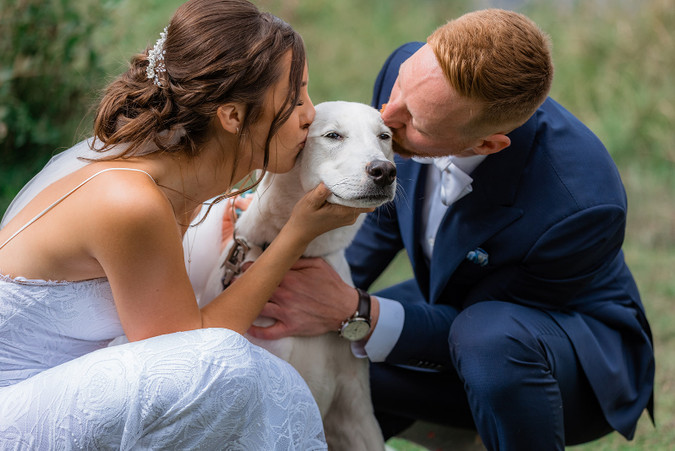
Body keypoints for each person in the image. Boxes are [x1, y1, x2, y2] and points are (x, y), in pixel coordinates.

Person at [246, 9, 655, 450]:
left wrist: (355, 310)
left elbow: (486, 329)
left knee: (480, 341)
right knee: (331, 356)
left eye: (416, 124)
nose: (387, 115)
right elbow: (385, 214)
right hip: (460, 310)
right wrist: (301, 287)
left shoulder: (579, 203)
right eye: (399, 89)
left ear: (486, 145)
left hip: (558, 364)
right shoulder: (411, 80)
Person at [0, 0, 372, 448]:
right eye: (294, 99)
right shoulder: (131, 202)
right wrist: (295, 235)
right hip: (15, 405)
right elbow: (192, 356)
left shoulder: (174, 183)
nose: (310, 114)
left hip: (53, 384)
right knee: (230, 368)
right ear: (233, 116)